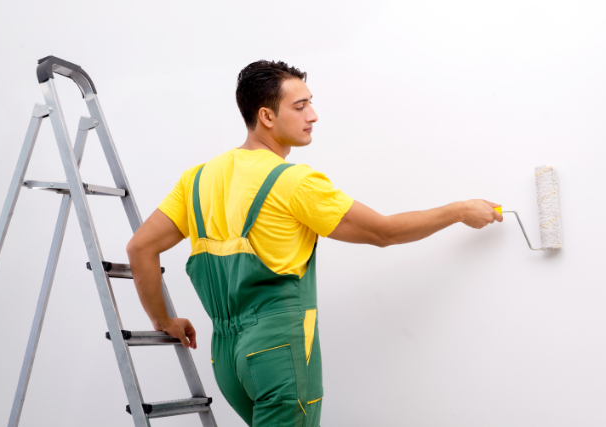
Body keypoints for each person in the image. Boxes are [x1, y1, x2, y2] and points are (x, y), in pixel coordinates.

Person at [126, 60, 503, 427]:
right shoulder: (294, 182)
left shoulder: (197, 179)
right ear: (267, 117)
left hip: (227, 360)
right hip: (278, 357)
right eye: (300, 105)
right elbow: (383, 232)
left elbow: (140, 248)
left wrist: (163, 321)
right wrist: (458, 210)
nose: (313, 115)